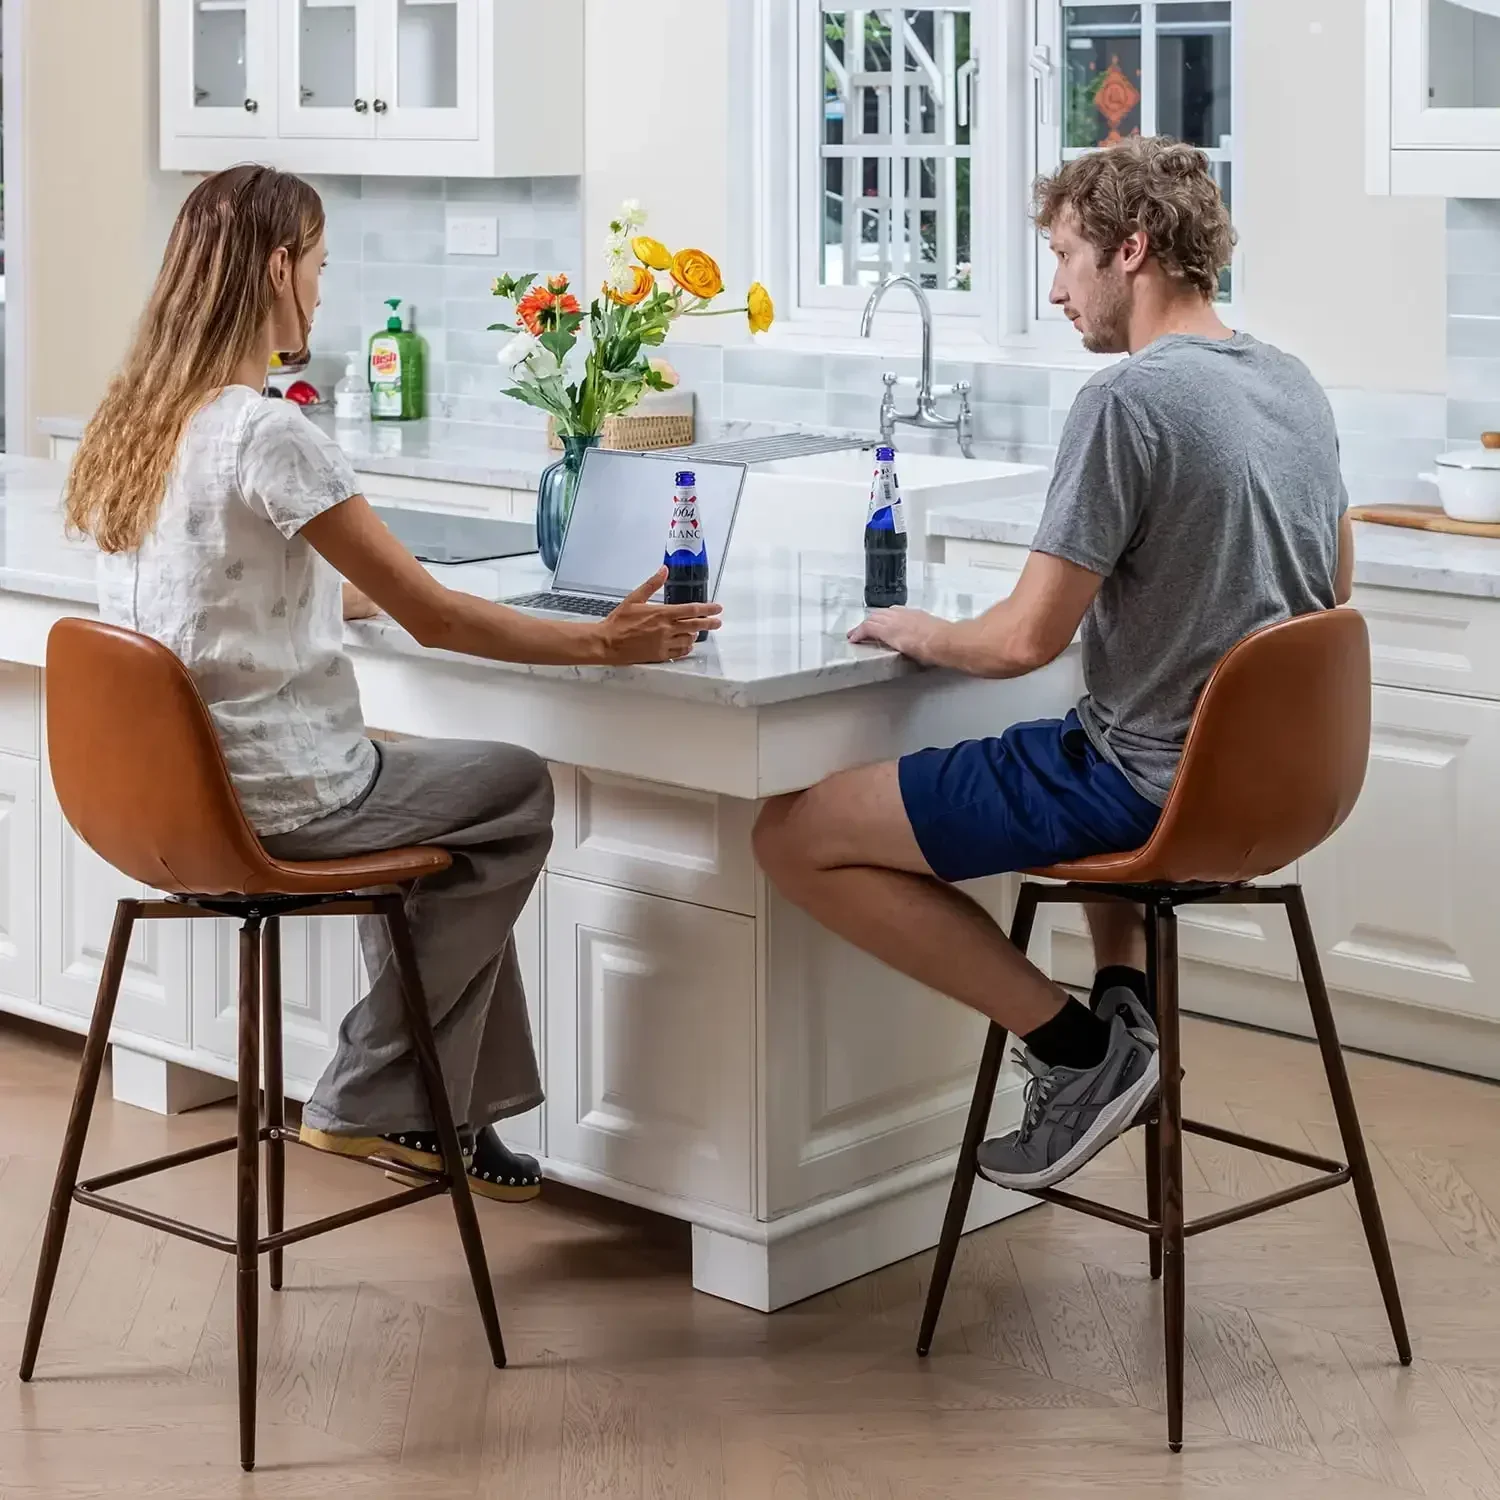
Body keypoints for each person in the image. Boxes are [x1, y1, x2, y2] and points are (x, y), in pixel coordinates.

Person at [67, 164, 721, 1203]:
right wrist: (605, 645)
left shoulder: (141, 422)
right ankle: (368, 1087)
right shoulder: (269, 431)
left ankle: (447, 1117)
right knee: (509, 789)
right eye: (320, 266)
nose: (323, 292)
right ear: (278, 266)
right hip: (273, 800)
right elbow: (435, 616)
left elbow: (225, 590)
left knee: (443, 824)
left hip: (155, 806)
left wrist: (355, 599)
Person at [754, 137, 1355, 1193]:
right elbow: (1329, 585)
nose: (1055, 287)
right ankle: (1124, 1012)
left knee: (791, 835)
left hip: (1142, 789)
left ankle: (1079, 1053)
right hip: (1275, 794)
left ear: (1131, 251)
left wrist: (911, 626)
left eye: (1067, 256)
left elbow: (1021, 642)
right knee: (1087, 717)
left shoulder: (1128, 405)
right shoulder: (1292, 383)